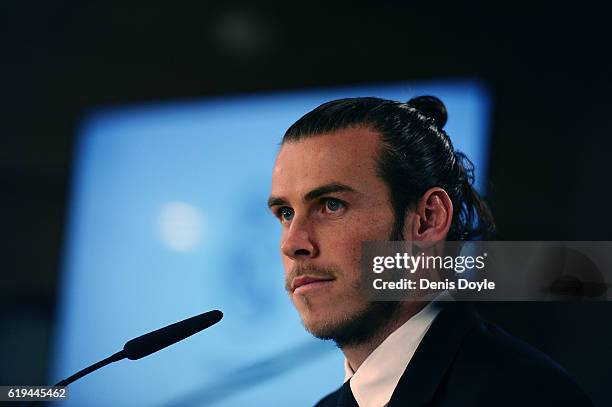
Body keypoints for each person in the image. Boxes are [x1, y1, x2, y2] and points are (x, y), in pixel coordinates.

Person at [267, 96, 593, 406]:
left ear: (427, 220)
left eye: (331, 205)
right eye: (286, 213)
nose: (292, 244)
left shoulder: (528, 397)